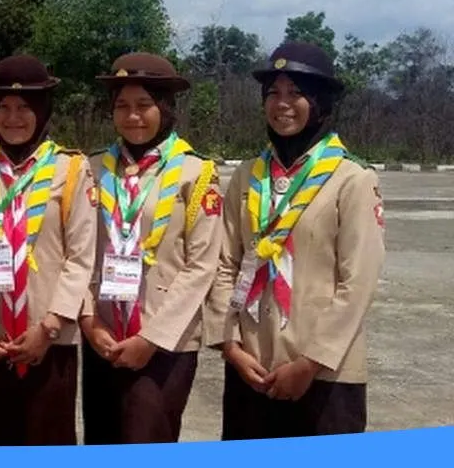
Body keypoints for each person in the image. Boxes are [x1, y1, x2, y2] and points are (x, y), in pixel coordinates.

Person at [206, 42, 384, 439]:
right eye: (273, 93)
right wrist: (230, 346)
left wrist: (310, 363)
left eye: (296, 93)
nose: (282, 104)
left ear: (320, 103)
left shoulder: (351, 179)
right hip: (251, 367)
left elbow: (357, 285)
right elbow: (225, 263)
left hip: (325, 375)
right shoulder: (248, 175)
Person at [79, 52, 224, 444]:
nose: (133, 117)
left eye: (144, 106)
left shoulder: (197, 173)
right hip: (103, 337)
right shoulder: (92, 169)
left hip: (164, 342)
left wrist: (152, 338)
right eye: (122, 106)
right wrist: (89, 321)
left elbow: (201, 266)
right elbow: (79, 254)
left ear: (165, 108)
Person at [0, 55, 97, 446]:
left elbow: (81, 256)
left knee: (48, 437)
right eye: (3, 106)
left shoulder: (70, 170)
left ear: (43, 110)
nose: (12, 117)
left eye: (24, 107)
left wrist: (50, 326)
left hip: (50, 339)